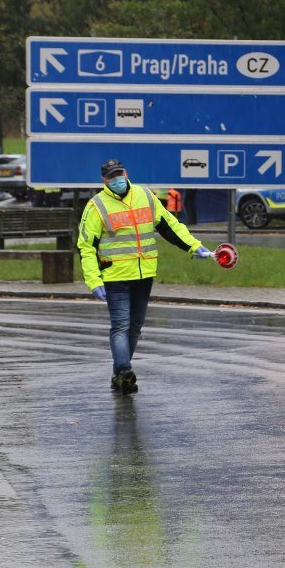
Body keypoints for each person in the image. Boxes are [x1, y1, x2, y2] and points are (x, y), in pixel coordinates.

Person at [78, 159, 213, 394]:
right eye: (112, 176)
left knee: (135, 327)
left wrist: (194, 246)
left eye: (119, 173)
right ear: (104, 180)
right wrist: (94, 280)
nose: (117, 178)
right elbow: (87, 247)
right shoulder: (96, 206)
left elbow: (170, 225)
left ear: (126, 173)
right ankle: (123, 371)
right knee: (120, 325)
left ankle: (120, 373)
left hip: (144, 274)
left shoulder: (145, 196)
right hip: (114, 275)